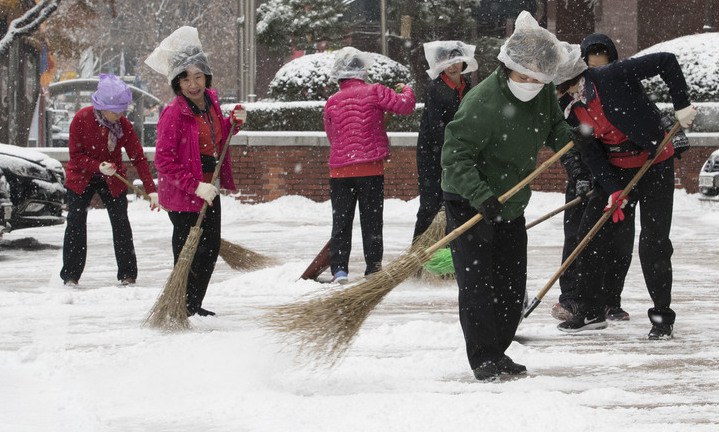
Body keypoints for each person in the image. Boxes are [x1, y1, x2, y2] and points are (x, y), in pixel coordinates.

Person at [440, 11, 575, 381]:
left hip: (511, 202)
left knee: (511, 283)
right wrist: (481, 196)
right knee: (479, 284)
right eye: (522, 75)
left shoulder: (542, 93)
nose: (529, 82)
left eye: (537, 77)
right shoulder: (482, 102)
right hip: (471, 201)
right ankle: (483, 358)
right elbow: (454, 156)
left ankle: (499, 351)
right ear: (507, 65)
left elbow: (554, 128)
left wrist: (573, 152)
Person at [554, 39, 698, 339]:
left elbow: (667, 61)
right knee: (589, 234)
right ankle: (592, 311)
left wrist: (681, 104)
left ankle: (661, 317)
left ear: (568, 78)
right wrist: (612, 189)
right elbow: (590, 151)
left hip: (654, 162)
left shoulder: (610, 76)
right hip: (617, 171)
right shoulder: (567, 106)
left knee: (653, 242)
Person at [144, 26, 246, 316]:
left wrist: (233, 122)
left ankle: (193, 303)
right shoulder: (174, 113)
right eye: (186, 78)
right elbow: (163, 160)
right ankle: (181, 304)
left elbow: (218, 136)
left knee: (210, 248)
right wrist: (194, 186)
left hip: (209, 186)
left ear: (206, 77)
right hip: (184, 193)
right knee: (189, 251)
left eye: (198, 76)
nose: (193, 83)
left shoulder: (211, 102)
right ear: (177, 82)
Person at [553, 33, 634, 322]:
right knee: (578, 238)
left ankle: (610, 300)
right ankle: (573, 299)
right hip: (585, 178)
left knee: (618, 242)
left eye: (605, 64)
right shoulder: (570, 99)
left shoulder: (621, 87)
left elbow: (641, 118)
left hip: (618, 176)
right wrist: (577, 173)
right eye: (593, 66)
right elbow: (566, 142)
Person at [323, 46, 416, 283]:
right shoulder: (375, 91)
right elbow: (405, 106)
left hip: (340, 171)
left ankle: (340, 270)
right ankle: (373, 268)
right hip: (370, 170)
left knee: (341, 222)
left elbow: (331, 134)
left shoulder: (332, 101)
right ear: (362, 71)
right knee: (371, 221)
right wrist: (405, 89)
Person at [60, 74, 159, 287]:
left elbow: (138, 157)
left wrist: (151, 190)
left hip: (113, 177)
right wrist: (97, 166)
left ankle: (128, 273)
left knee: (121, 224)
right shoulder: (81, 119)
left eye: (122, 111)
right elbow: (75, 156)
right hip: (81, 176)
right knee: (76, 224)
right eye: (115, 111)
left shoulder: (122, 125)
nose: (119, 115)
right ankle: (70, 275)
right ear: (101, 106)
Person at [412, 41, 476, 241]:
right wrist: (450, 149)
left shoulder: (468, 87)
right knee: (430, 205)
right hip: (432, 154)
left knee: (455, 205)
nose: (453, 66)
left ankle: (448, 256)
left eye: (456, 60)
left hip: (459, 155)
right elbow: (435, 125)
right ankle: (418, 253)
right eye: (448, 61)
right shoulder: (435, 87)